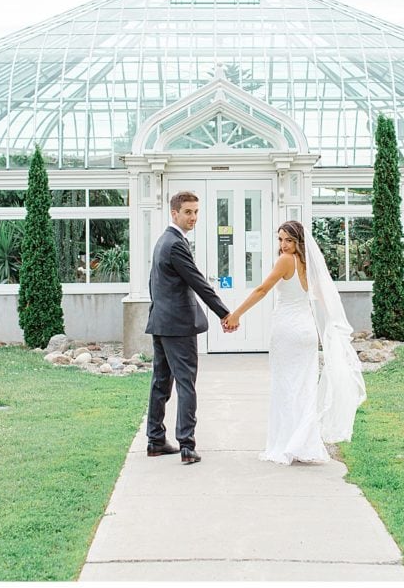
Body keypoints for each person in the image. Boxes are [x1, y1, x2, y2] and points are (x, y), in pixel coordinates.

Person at [222, 220, 366, 465]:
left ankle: (287, 444)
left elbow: (262, 290)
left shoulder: (285, 261)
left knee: (286, 387)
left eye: (288, 240)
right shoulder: (310, 265)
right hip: (307, 331)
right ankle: (303, 443)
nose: (283, 245)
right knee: (304, 387)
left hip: (287, 330)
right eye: (280, 239)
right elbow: (322, 297)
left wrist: (236, 314)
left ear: (298, 242)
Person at [145, 191, 235, 465]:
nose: (193, 217)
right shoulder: (174, 244)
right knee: (186, 384)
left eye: (196, 212)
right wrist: (225, 313)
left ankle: (155, 440)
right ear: (174, 213)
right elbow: (197, 281)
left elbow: (154, 284)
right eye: (188, 212)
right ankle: (187, 445)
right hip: (178, 326)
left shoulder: (165, 241)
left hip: (161, 322)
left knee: (161, 383)